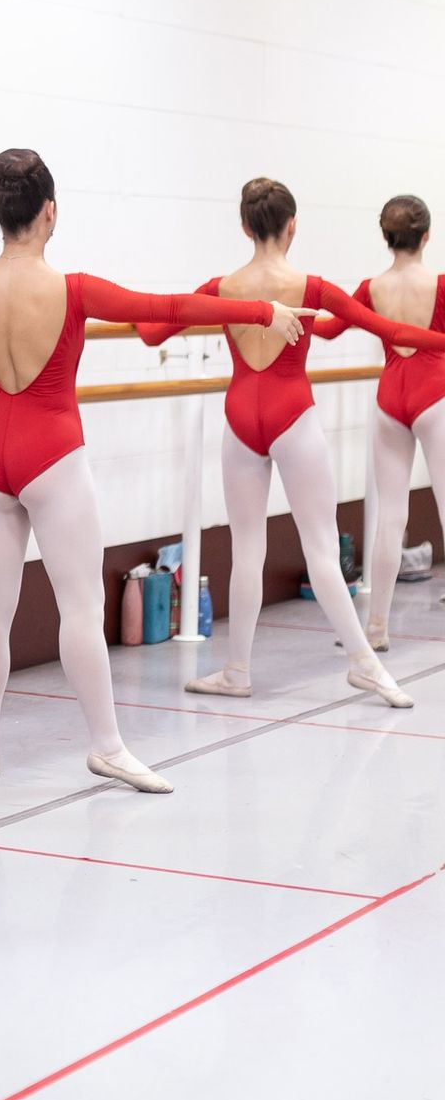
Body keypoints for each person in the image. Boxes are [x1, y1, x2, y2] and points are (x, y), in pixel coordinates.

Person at [0, 150, 302, 791]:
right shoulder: (73, 289)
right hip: (51, 452)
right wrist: (261, 311)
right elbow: (167, 308)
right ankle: (107, 744)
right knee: (77, 605)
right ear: (50, 212)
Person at [135, 178, 442, 706]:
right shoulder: (312, 286)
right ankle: (364, 663)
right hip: (292, 415)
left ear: (244, 227)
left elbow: (149, 332)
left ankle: (237, 670)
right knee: (320, 548)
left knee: (247, 550)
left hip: (239, 419)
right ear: (293, 224)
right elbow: (388, 332)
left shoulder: (220, 286)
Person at [351, 195, 445, 653]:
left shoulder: (371, 288)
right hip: (435, 394)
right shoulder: (440, 285)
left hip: (390, 398)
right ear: (426, 235)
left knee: (390, 516)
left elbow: (331, 327)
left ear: (386, 238)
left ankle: (377, 627)